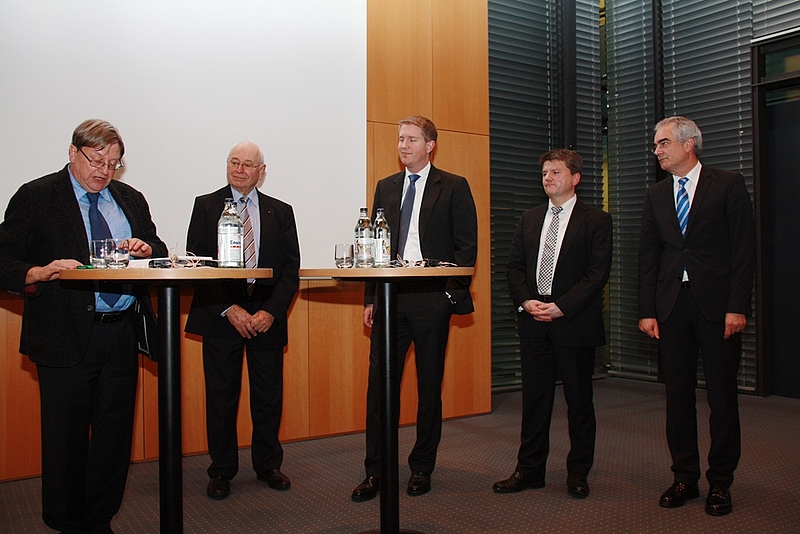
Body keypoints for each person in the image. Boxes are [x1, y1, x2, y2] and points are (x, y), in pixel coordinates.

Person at [0, 119, 167, 533]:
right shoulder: (37, 196)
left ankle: (99, 519)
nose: (104, 171)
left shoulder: (130, 198)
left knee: (114, 437)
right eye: (96, 160)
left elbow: (158, 249)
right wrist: (38, 272)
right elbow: (3, 259)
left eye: (113, 163)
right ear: (73, 152)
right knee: (66, 439)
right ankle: (67, 523)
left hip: (122, 332)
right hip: (65, 333)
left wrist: (145, 248)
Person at [351, 115, 478, 502]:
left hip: (431, 299)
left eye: (411, 139)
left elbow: (467, 248)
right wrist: (371, 298)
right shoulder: (385, 187)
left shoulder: (454, 186)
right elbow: (372, 248)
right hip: (390, 296)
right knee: (380, 388)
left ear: (430, 145)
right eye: (400, 139)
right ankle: (376, 471)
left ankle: (422, 467)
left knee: (428, 387)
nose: (403, 145)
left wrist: (449, 297)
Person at [638, 116, 756, 516]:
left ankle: (720, 481)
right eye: (656, 144)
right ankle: (684, 478)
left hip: (718, 308)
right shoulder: (656, 194)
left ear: (689, 144)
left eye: (663, 143)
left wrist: (737, 305)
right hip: (672, 307)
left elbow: (744, 249)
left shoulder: (727, 183)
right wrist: (647, 310)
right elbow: (648, 256)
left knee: (722, 397)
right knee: (677, 397)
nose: (657, 150)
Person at [493, 149, 612, 499]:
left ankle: (578, 472)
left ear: (575, 178)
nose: (548, 178)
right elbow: (514, 267)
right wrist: (525, 300)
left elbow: (597, 274)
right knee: (534, 401)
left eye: (555, 172)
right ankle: (529, 470)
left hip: (573, 321)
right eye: (544, 172)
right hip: (534, 321)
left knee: (579, 402)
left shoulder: (596, 220)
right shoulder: (529, 218)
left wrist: (562, 307)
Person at [185, 141, 300, 500]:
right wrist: (229, 308)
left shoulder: (281, 211)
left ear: (261, 172)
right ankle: (221, 471)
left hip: (266, 318)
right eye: (234, 162)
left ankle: (268, 465)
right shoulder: (206, 206)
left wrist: (271, 312)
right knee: (221, 398)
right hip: (222, 316)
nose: (239, 169)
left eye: (247, 164)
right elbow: (197, 264)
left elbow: (290, 269)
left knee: (268, 397)